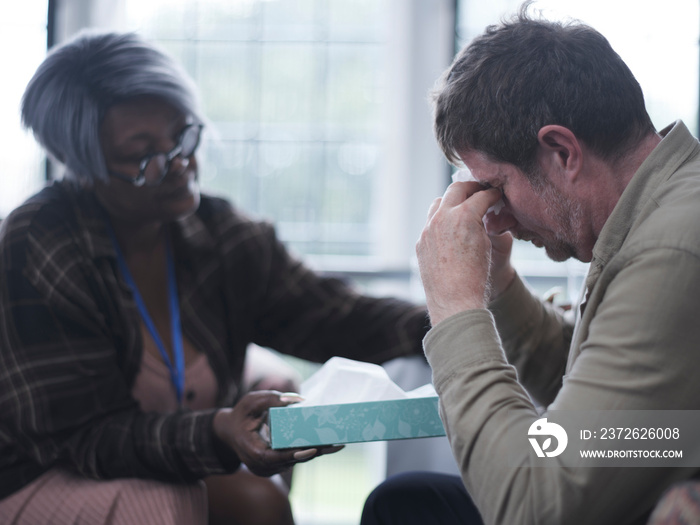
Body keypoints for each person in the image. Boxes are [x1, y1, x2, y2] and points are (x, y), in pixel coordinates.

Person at [0, 31, 429, 525]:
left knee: (273, 411)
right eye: (143, 156)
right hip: (45, 466)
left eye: (182, 135)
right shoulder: (39, 245)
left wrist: (454, 326)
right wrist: (218, 433)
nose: (181, 164)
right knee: (243, 503)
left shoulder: (219, 233)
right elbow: (88, 437)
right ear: (83, 164)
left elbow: (330, 314)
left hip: (162, 440)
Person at [361, 4, 700, 525]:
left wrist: (455, 306)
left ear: (562, 151)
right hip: (663, 447)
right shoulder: (662, 209)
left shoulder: (671, 249)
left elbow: (533, 504)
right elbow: (605, 392)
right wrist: (495, 284)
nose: (496, 215)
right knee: (408, 501)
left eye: (496, 185)